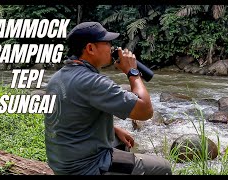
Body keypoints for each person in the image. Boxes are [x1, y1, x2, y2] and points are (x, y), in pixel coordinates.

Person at [44, 21, 172, 175]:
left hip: (62, 163)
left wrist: (113, 129)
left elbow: (71, 116)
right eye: (107, 42)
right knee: (162, 168)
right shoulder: (91, 82)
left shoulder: (58, 77)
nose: (112, 47)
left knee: (118, 141)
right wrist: (132, 72)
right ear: (90, 48)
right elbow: (145, 111)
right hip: (85, 167)